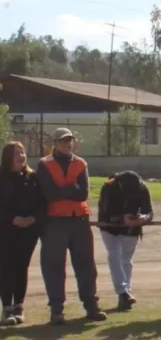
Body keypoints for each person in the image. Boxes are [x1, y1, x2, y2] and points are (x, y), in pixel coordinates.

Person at [36, 128, 106, 325]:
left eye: (70, 141)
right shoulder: (45, 164)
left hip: (79, 221)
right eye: (63, 141)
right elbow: (48, 193)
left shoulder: (81, 164)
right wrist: (69, 189)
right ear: (55, 144)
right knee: (54, 266)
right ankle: (57, 309)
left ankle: (91, 305)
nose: (68, 144)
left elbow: (82, 193)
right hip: (55, 221)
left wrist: (62, 191)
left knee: (86, 265)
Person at [0, 142, 45, 326]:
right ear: (8, 157)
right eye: (17, 153)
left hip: (28, 231)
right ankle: (7, 308)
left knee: (21, 267)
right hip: (5, 229)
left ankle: (19, 307)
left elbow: (43, 204)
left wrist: (33, 219)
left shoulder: (32, 177)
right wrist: (12, 218)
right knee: (6, 268)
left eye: (23, 152)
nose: (22, 156)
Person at [96, 171, 154, 311]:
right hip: (110, 229)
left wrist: (143, 219)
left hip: (132, 229)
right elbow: (105, 212)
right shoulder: (108, 187)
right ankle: (123, 292)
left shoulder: (142, 187)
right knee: (114, 255)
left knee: (126, 260)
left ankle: (125, 294)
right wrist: (123, 218)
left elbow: (149, 212)